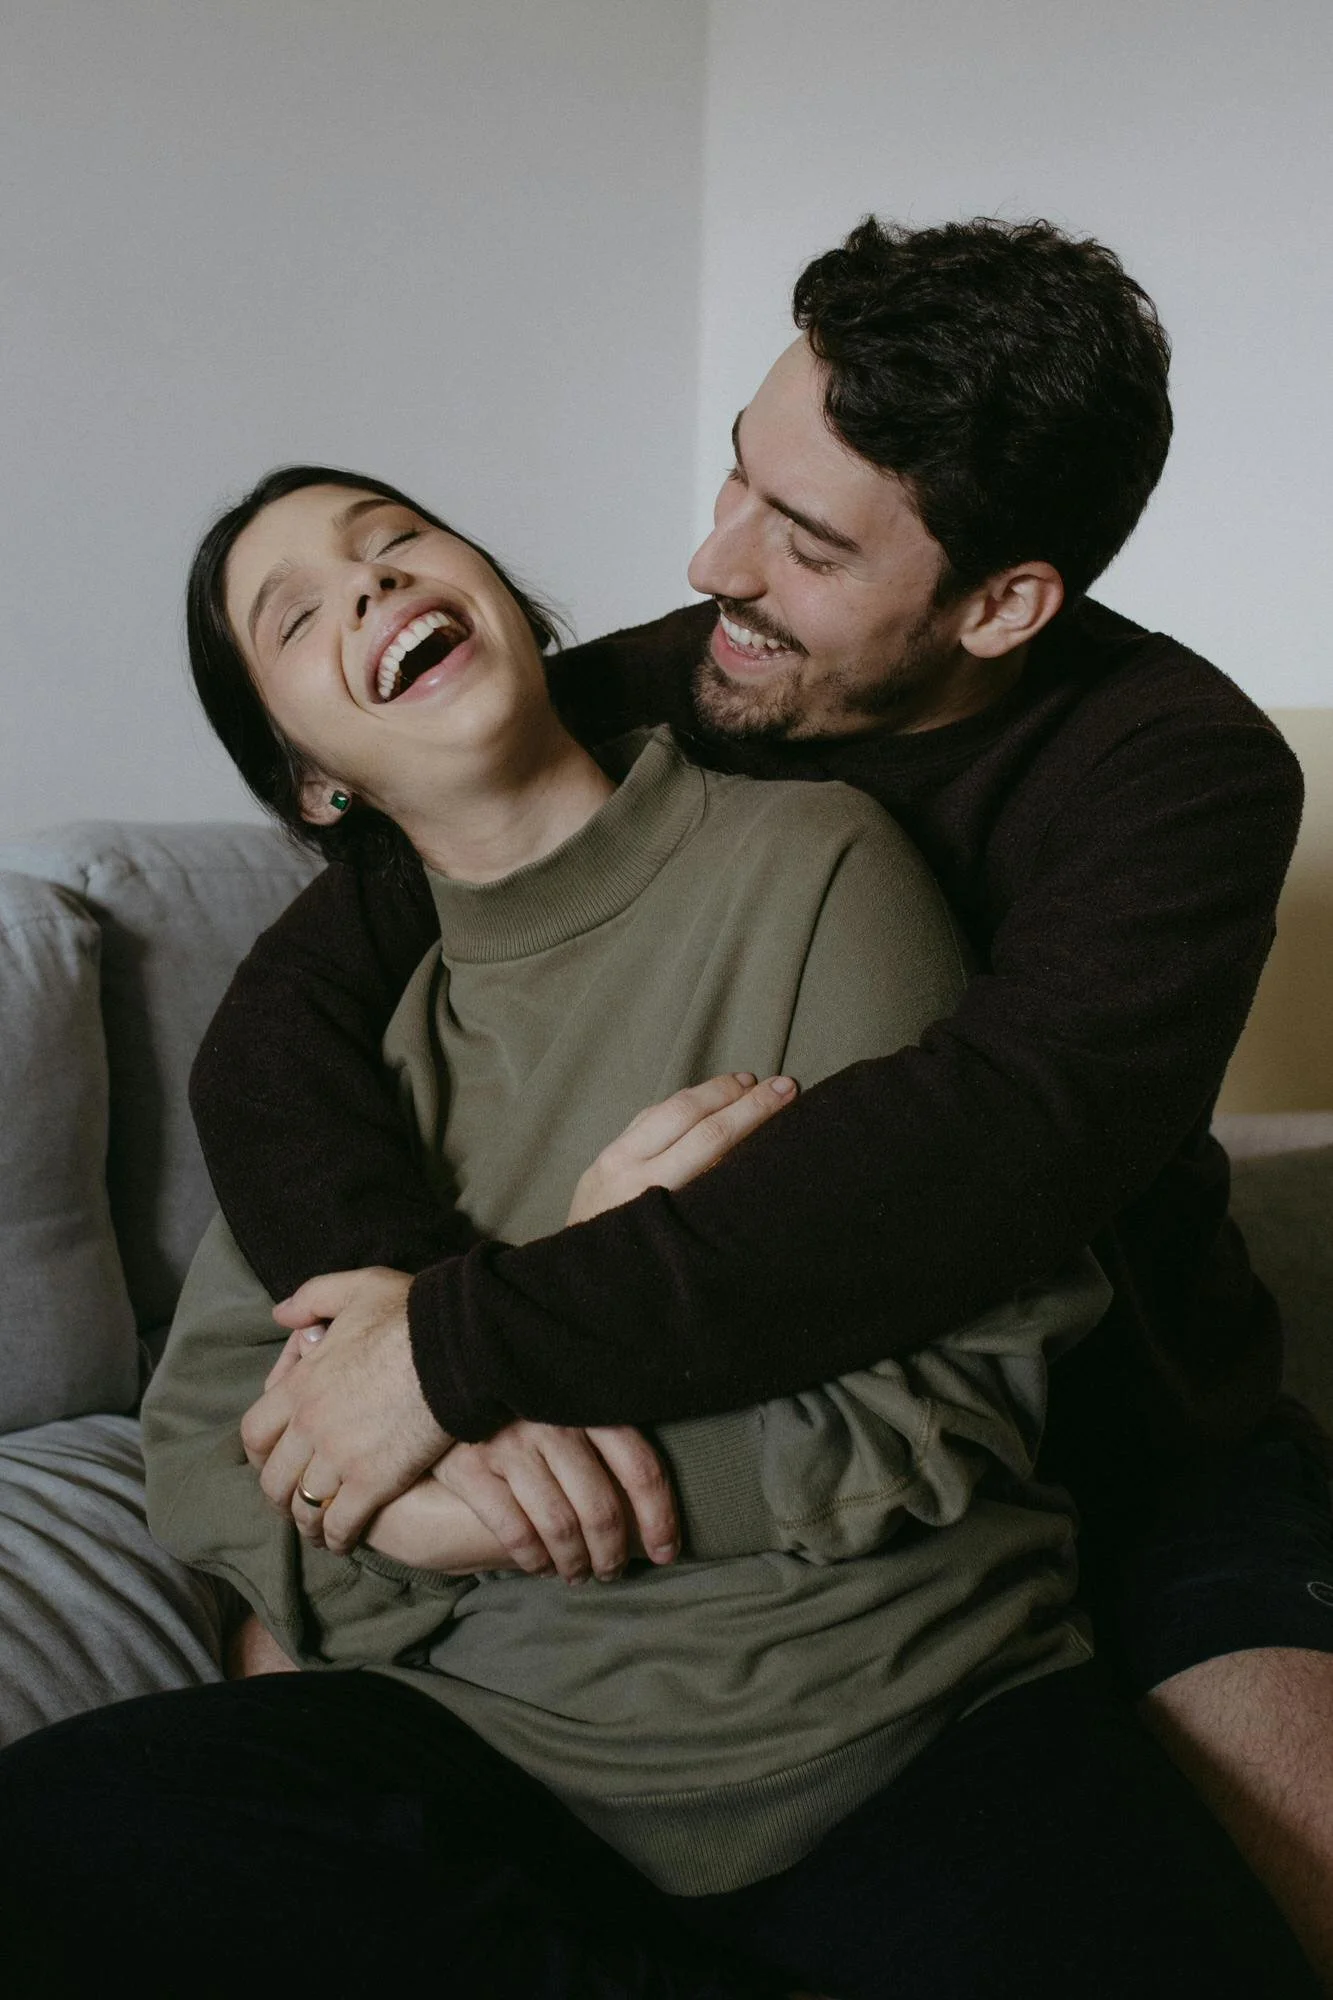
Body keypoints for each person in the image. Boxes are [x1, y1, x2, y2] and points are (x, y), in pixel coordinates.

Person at [183, 217, 1333, 1979]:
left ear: (1003, 602)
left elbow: (986, 1150)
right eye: (737, 472)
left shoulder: (1174, 771)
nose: (714, 557)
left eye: (800, 542)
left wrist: (459, 1354)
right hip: (685, 1507)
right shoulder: (672, 681)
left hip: (1134, 1441)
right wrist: (382, 1334)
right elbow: (277, 1024)